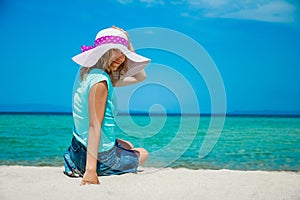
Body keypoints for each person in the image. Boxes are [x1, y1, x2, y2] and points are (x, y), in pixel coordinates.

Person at [63, 26, 150, 185]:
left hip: (77, 147)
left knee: (128, 145)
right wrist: (90, 172)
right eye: (116, 50)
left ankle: (77, 163)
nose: (121, 57)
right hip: (97, 157)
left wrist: (128, 43)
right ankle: (88, 167)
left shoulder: (89, 73)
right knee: (143, 153)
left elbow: (141, 76)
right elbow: (94, 125)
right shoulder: (101, 82)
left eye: (124, 53)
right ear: (102, 52)